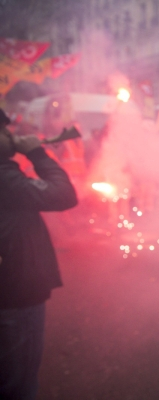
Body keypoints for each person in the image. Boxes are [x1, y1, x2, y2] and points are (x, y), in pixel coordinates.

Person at [0, 109, 78, 399]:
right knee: (17, 384)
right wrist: (38, 155)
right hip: (14, 291)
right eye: (3, 130)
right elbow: (63, 195)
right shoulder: (3, 176)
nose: (11, 134)